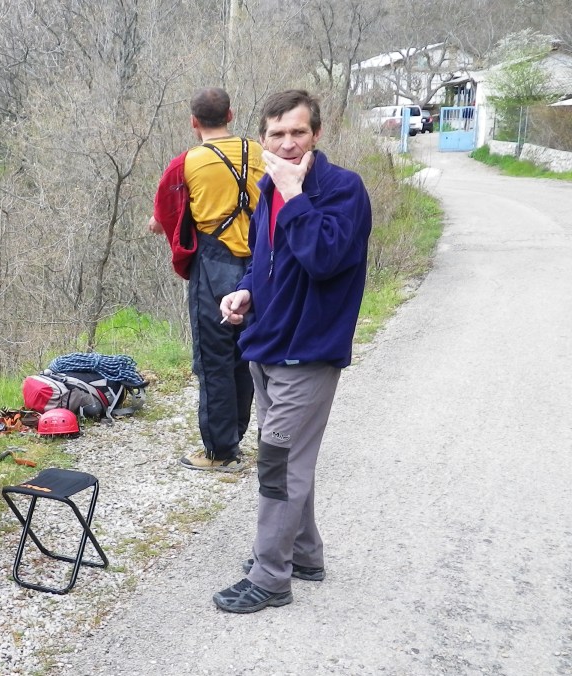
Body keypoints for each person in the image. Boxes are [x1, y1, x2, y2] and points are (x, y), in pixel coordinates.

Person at [213, 90, 372, 613]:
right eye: (276, 134)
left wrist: (294, 193)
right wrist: (247, 292)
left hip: (309, 354)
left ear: (316, 135)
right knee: (290, 460)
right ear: (262, 139)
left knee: (279, 464)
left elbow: (324, 258)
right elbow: (271, 261)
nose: (287, 144)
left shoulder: (342, 190)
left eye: (297, 133)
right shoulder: (266, 190)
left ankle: (271, 578)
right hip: (267, 347)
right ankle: (303, 554)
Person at [149, 87, 264, 472]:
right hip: (260, 265)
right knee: (246, 354)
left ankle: (220, 451)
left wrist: (158, 224)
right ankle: (238, 435)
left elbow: (165, 213)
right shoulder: (261, 151)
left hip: (212, 266)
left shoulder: (187, 163)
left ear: (194, 122)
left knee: (213, 359)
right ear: (231, 115)